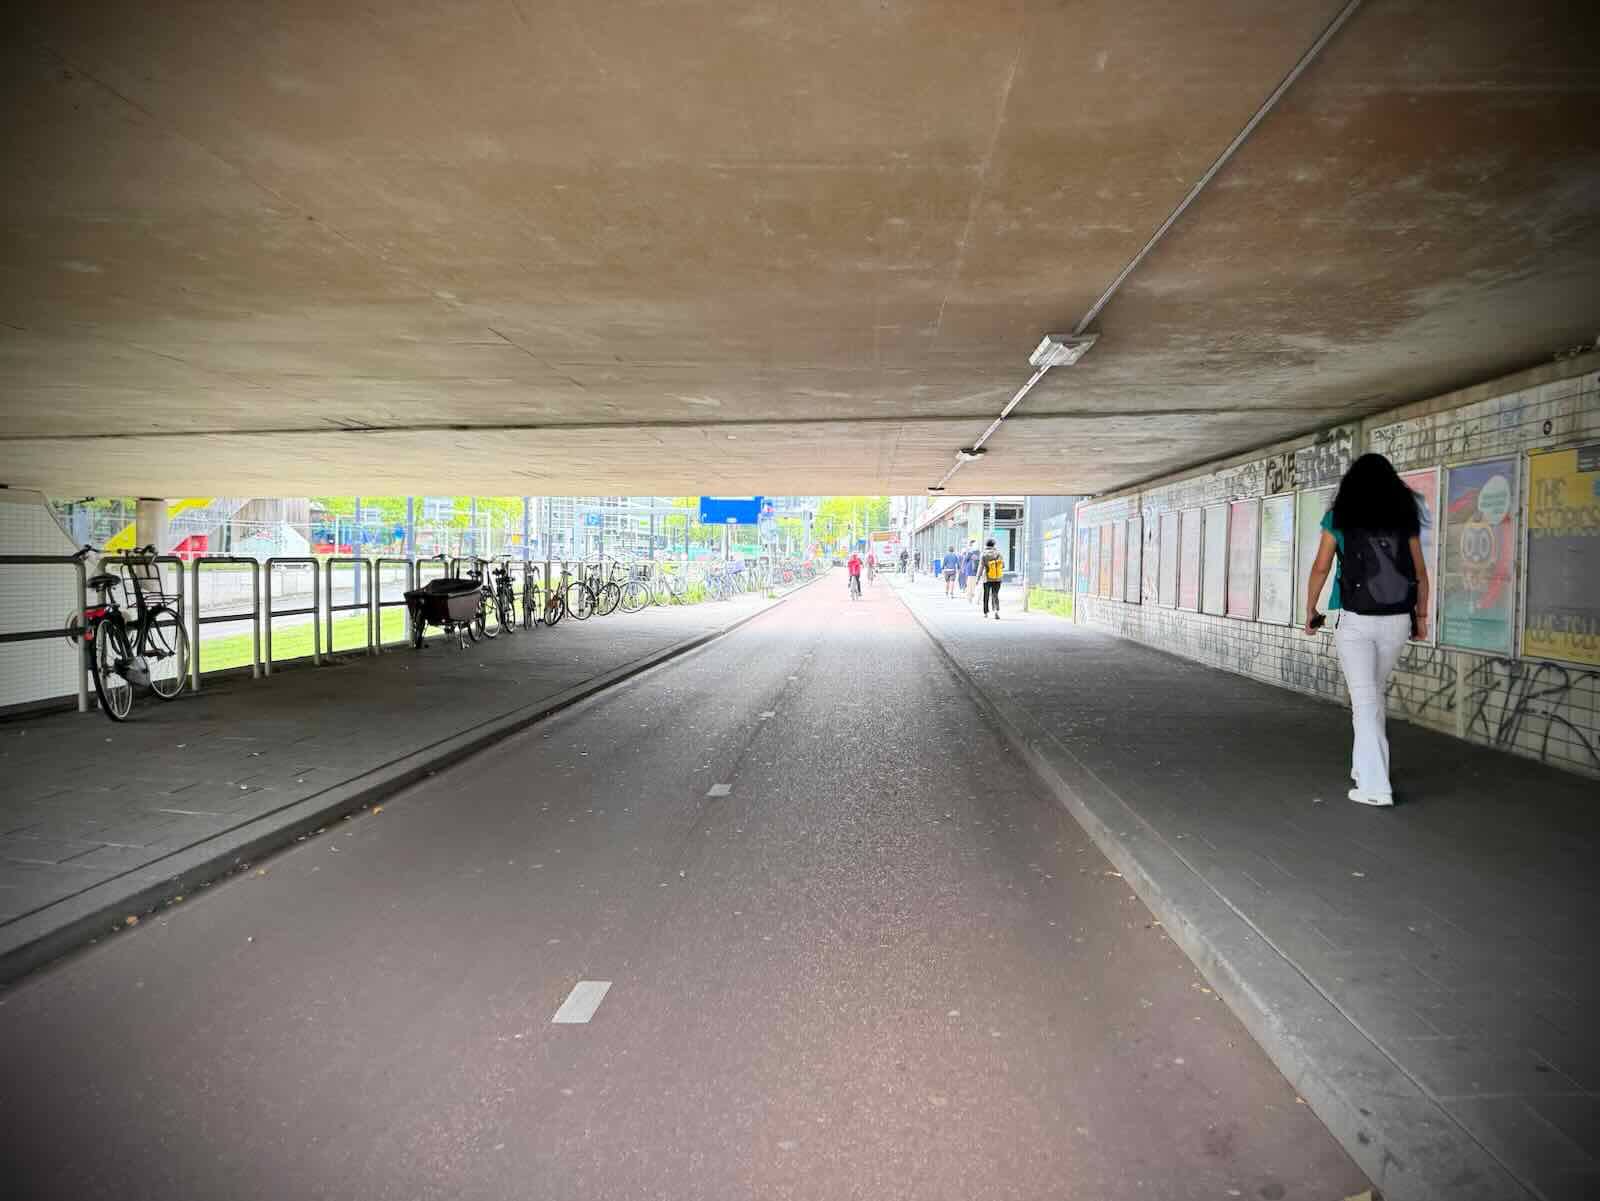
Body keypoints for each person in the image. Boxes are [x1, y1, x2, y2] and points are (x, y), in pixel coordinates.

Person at [1304, 453, 1430, 808]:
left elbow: (1321, 567)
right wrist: (1421, 618)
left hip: (1355, 620)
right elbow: (1420, 573)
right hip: (1397, 619)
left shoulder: (1339, 516)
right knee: (1372, 695)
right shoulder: (1404, 517)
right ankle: (1362, 768)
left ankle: (1375, 787)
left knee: (1365, 700)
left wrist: (1310, 609)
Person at [980, 538, 1004, 619]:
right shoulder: (998, 554)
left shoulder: (984, 554)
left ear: (986, 545)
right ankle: (996, 611)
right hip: (997, 578)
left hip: (987, 578)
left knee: (986, 595)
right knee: (995, 594)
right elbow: (1003, 565)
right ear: (994, 545)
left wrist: (977, 578)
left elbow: (981, 567)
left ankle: (985, 613)